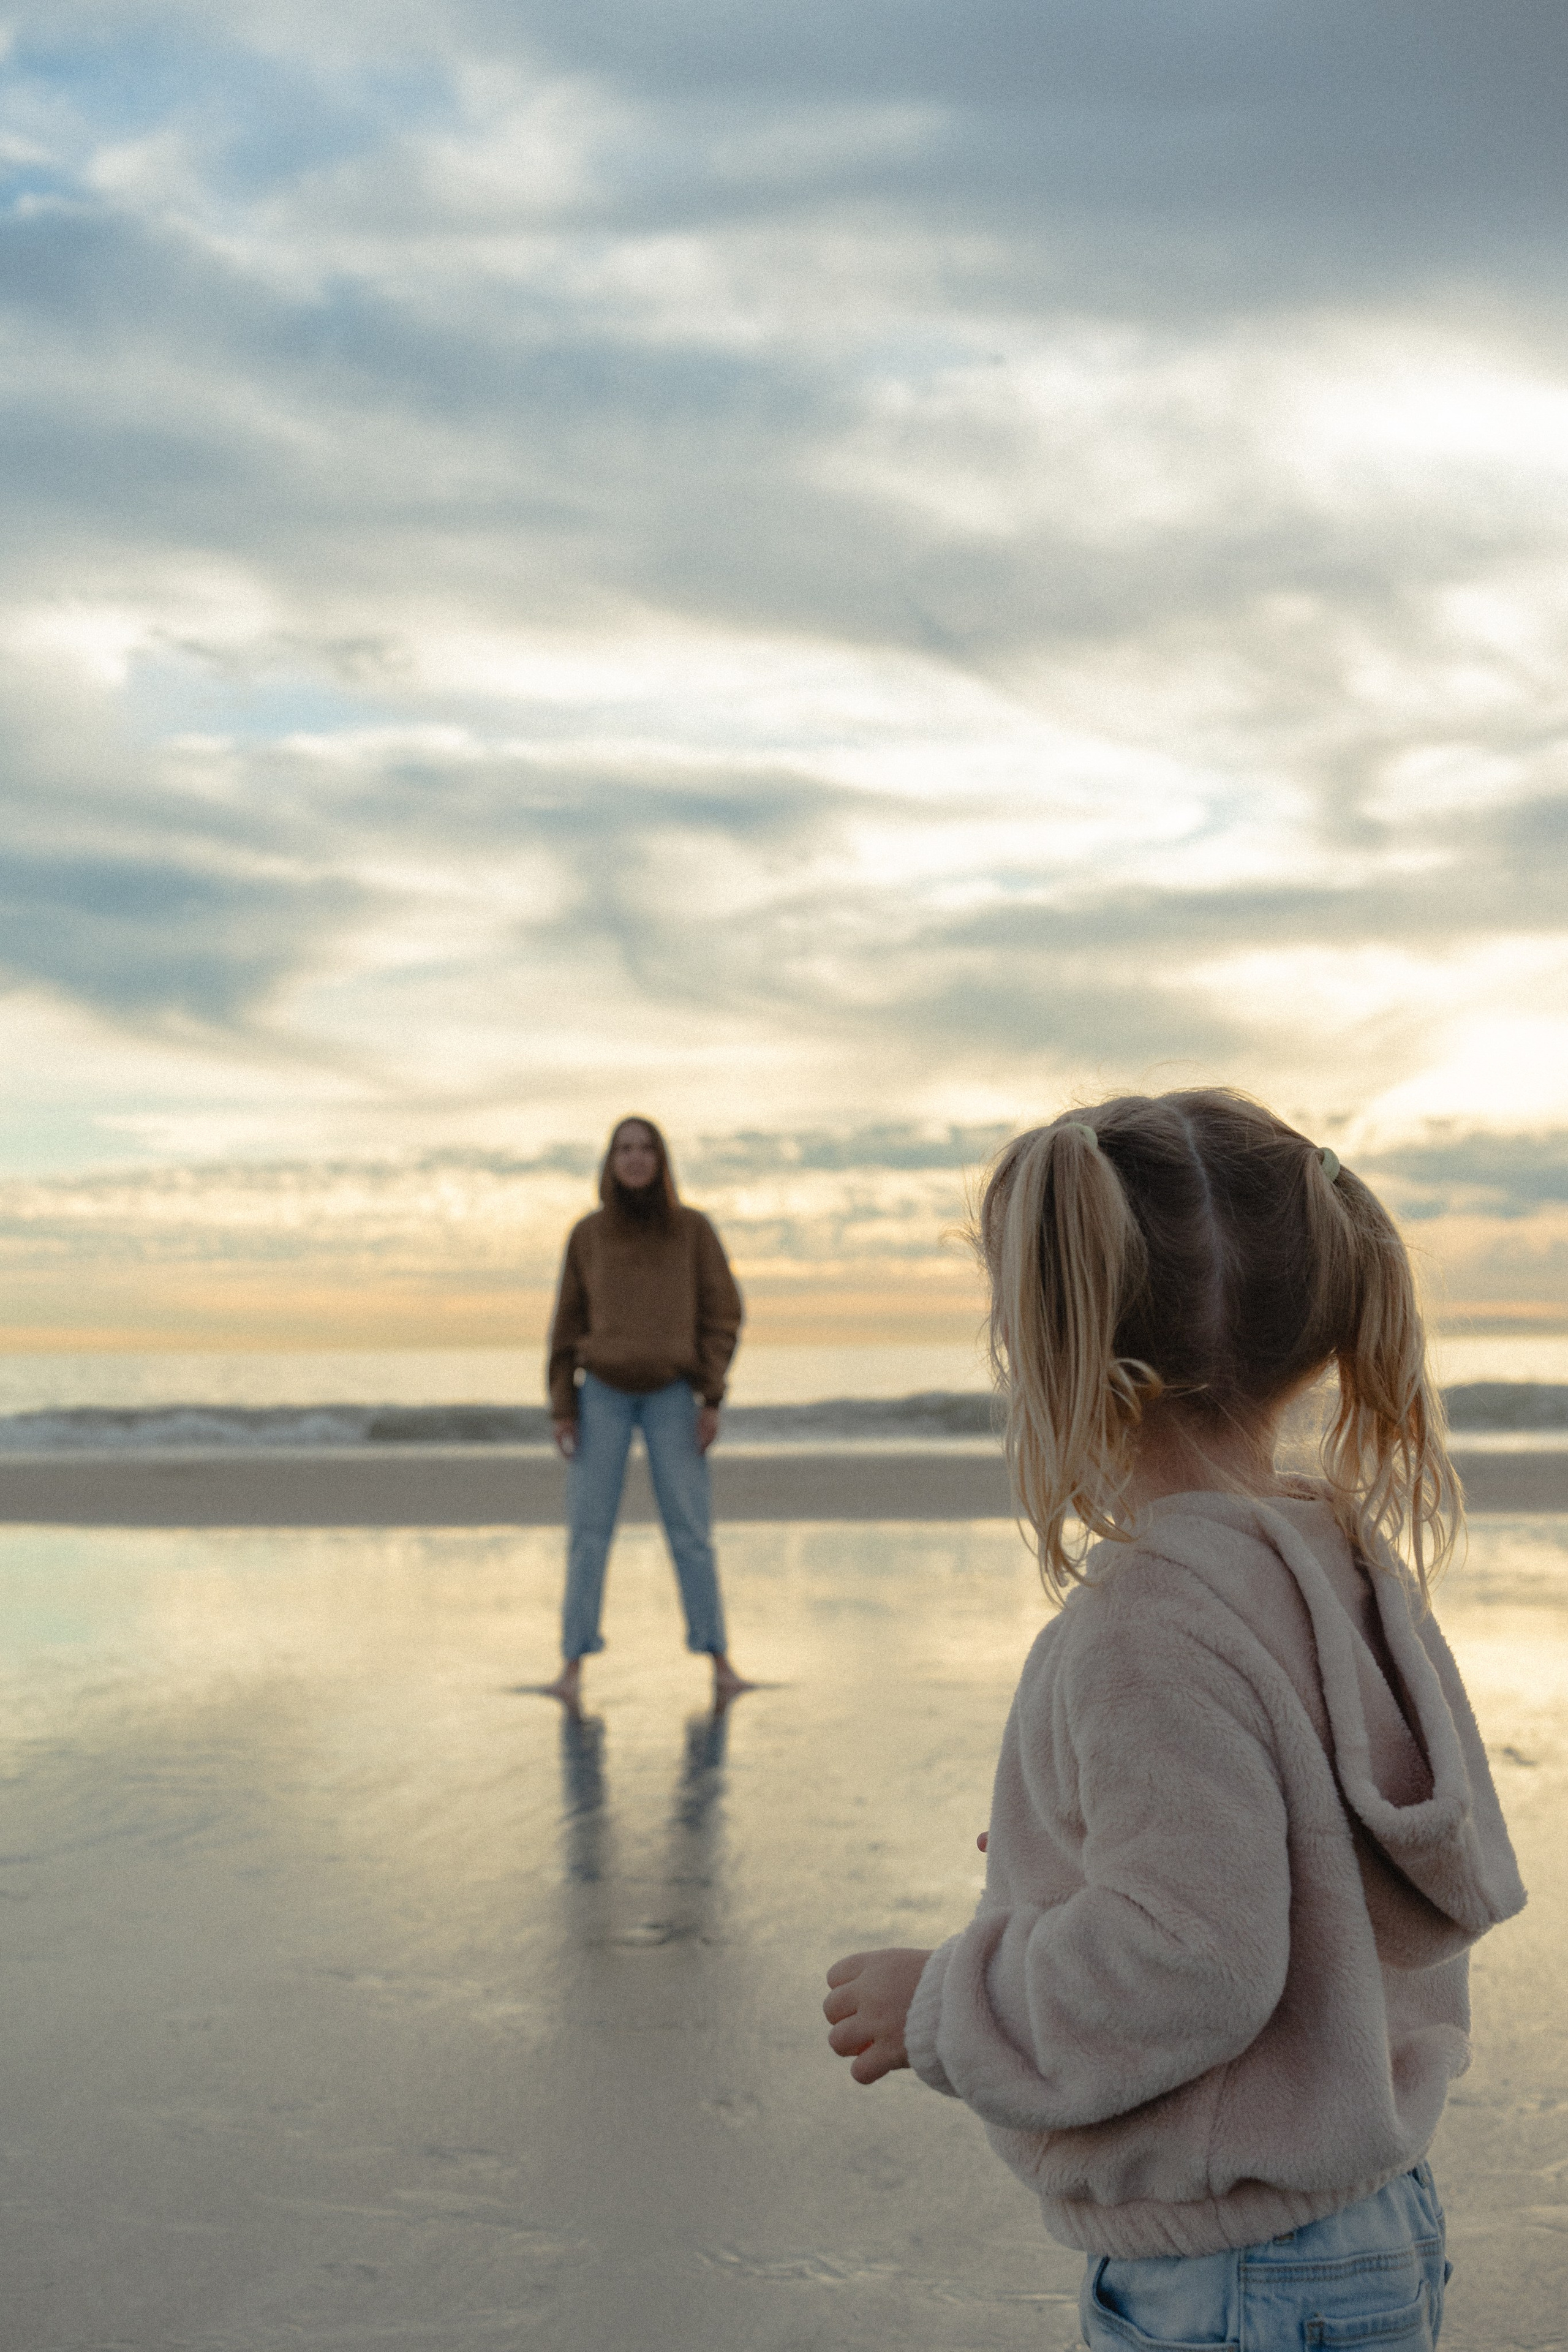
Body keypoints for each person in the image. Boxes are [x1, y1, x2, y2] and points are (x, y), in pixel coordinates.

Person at [823, 1088, 1525, 2349]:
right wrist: (1083, 1861)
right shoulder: (1336, 1565)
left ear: (1059, 1348)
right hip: (1368, 2225)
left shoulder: (1143, 1623)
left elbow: (1189, 1959)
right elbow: (1315, 1858)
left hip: (1231, 2276)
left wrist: (942, 1999)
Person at [542, 1116, 751, 1708]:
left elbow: (724, 1312)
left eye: (645, 1149)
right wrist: (563, 1406)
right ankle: (571, 1665)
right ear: (610, 1161)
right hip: (599, 1396)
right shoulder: (587, 1236)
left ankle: (720, 1662)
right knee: (588, 1535)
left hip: (671, 1396)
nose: (635, 1159)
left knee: (691, 1533)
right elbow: (565, 1324)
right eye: (624, 1149)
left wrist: (711, 1396)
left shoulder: (692, 1231)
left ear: (661, 1160)